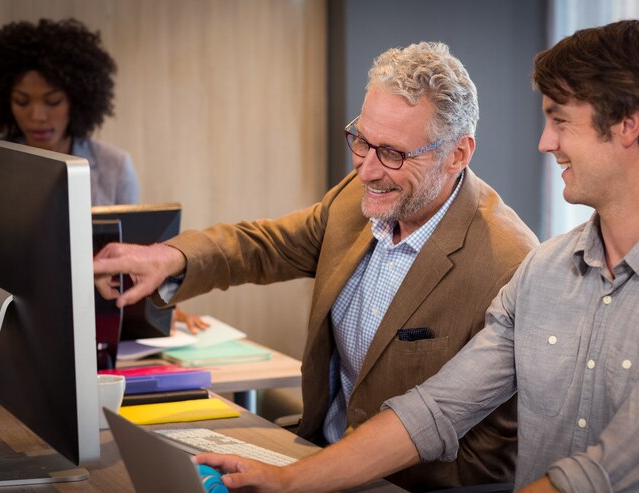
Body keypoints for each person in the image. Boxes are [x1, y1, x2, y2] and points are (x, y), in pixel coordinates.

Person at [191, 19, 639, 493]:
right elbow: (434, 409)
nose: (544, 142)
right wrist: (290, 482)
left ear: (629, 125)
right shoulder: (546, 272)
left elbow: (606, 473)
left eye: (561, 121)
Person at [94, 42, 539, 490]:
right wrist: (169, 256)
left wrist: (322, 476)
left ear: (458, 154)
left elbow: (489, 449)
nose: (366, 170)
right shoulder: (357, 197)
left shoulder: (508, 261)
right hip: (316, 457)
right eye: (362, 141)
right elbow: (264, 245)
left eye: (393, 153)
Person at [0, 18, 204, 332]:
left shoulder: (115, 166)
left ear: (77, 98)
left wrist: (159, 309)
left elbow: (132, 262)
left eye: (53, 101)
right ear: (4, 100)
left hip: (98, 326)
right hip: (12, 328)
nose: (37, 115)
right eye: (22, 101)